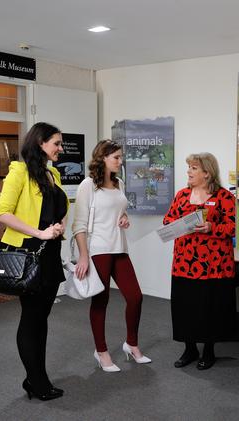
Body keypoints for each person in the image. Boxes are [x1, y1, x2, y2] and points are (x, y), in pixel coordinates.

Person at [0, 122, 69, 400]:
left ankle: (37, 379)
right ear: (40, 143)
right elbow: (2, 213)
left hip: (50, 254)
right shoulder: (19, 172)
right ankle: (37, 382)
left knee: (42, 319)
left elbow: (57, 210)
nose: (61, 148)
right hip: (27, 252)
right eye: (57, 143)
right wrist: (39, 232)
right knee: (31, 319)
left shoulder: (54, 174)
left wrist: (59, 226)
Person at [72, 140, 151, 372]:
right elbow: (79, 224)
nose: (120, 160)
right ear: (103, 158)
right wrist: (84, 256)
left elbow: (120, 210)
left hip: (119, 247)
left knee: (135, 297)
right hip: (98, 249)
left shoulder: (120, 183)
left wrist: (125, 217)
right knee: (101, 300)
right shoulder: (88, 185)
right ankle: (101, 351)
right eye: (116, 157)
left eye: (120, 157)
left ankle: (131, 344)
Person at [163, 152, 236, 370]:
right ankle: (190, 349)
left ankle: (209, 351)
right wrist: (179, 224)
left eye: (194, 168)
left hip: (214, 266)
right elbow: (168, 219)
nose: (189, 172)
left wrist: (212, 227)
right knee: (186, 307)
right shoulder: (182, 195)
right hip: (184, 264)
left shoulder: (224, 197)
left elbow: (233, 227)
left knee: (209, 308)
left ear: (207, 173)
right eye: (189, 168)